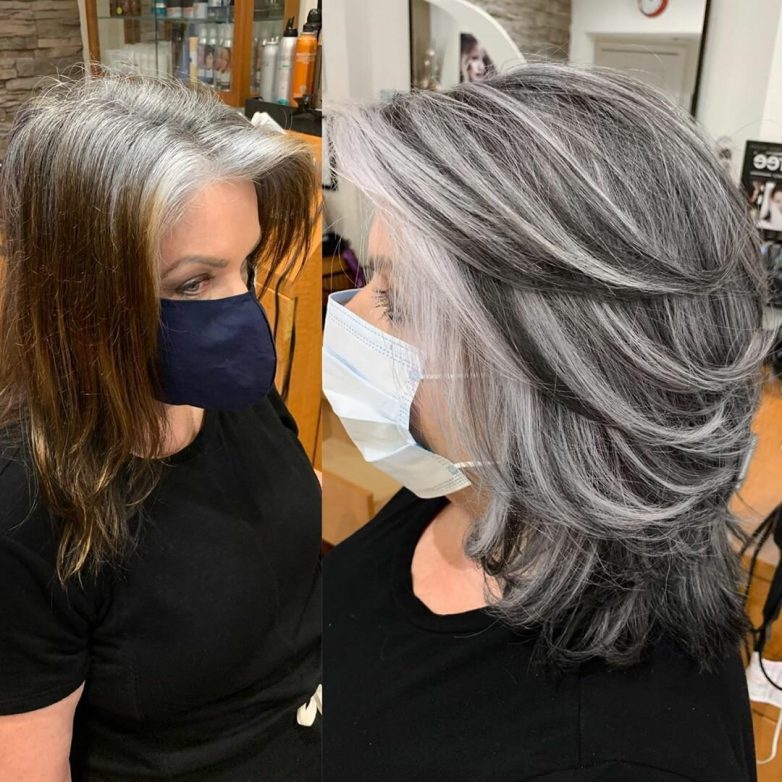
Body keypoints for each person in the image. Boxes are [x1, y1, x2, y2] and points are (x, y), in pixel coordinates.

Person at [322, 64, 771, 781]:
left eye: (399, 302)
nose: (351, 317)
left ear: (563, 373)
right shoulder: (463, 481)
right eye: (364, 277)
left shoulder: (616, 757)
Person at [0, 70, 321, 781]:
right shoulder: (28, 512)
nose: (244, 312)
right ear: (85, 298)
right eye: (194, 282)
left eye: (246, 265)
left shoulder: (227, 391)